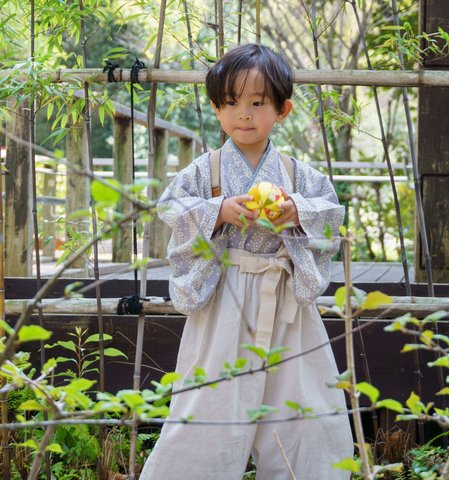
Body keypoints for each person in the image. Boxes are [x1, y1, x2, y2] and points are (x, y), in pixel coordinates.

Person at [140, 43, 353, 480]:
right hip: (224, 298)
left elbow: (332, 215)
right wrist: (216, 210)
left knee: (302, 406)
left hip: (288, 304)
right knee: (209, 404)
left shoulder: (298, 175)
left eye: (258, 103)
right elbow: (172, 208)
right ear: (217, 108)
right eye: (231, 103)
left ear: (283, 110)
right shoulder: (207, 170)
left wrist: (295, 209)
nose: (244, 114)